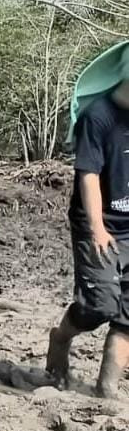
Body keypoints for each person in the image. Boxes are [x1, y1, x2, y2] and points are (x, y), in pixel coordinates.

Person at [46, 41, 129, 398]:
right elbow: (89, 175)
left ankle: (106, 389)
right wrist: (96, 226)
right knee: (99, 305)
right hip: (100, 222)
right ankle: (61, 337)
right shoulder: (98, 116)